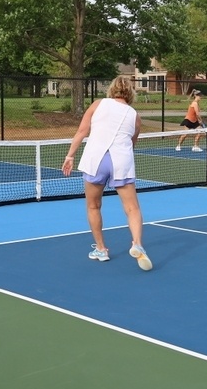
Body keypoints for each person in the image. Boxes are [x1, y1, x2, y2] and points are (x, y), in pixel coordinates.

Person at [61, 74, 152, 270]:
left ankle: (101, 249)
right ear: (130, 93)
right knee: (132, 208)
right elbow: (131, 143)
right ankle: (137, 243)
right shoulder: (134, 116)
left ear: (112, 90)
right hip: (121, 161)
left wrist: (70, 156)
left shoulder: (98, 104)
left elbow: (81, 131)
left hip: (96, 160)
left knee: (93, 206)